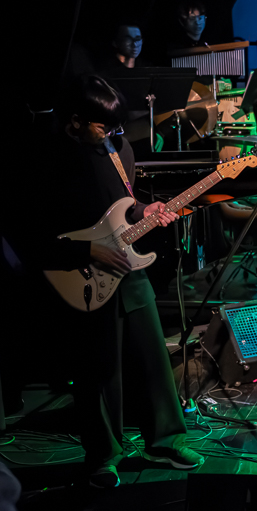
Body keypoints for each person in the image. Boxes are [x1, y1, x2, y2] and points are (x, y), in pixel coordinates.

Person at [5, 76, 204, 488]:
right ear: (75, 121)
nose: (113, 133)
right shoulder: (44, 157)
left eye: (117, 126)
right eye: (103, 126)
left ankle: (166, 440)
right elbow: (28, 231)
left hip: (127, 267)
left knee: (152, 357)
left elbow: (124, 207)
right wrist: (88, 251)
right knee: (96, 368)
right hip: (76, 270)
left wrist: (146, 210)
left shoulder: (119, 148)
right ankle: (103, 454)